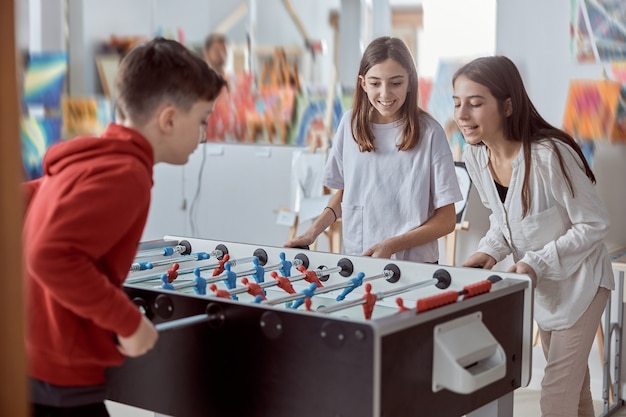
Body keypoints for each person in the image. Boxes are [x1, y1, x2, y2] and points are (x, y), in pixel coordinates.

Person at [22, 37, 227, 417]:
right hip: (59, 374)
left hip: (31, 360)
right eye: (201, 121)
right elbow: (49, 254)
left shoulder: (87, 160)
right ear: (168, 119)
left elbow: (25, 202)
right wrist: (128, 322)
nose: (203, 135)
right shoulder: (126, 174)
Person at [453, 55, 614, 417]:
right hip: (545, 289)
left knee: (555, 395)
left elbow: (594, 223)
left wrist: (535, 262)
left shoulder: (548, 156)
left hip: (584, 284)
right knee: (576, 393)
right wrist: (491, 251)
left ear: (507, 105)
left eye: (475, 103)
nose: (462, 114)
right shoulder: (476, 157)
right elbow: (504, 219)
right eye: (457, 102)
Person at [285, 36, 461, 263]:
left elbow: (447, 219)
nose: (385, 94)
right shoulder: (350, 125)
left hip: (414, 265)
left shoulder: (431, 134)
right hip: (360, 260)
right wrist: (312, 233)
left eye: (396, 83)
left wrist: (392, 245)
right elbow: (347, 195)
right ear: (363, 83)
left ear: (410, 83)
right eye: (376, 83)